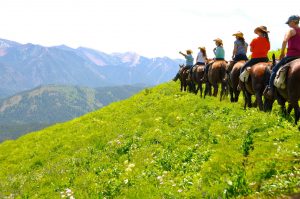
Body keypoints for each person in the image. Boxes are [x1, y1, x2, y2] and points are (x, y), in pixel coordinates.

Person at [264, 15, 300, 98]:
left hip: (291, 56)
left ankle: (271, 90)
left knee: (274, 70)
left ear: (293, 22)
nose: (288, 24)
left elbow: (284, 41)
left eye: (289, 23)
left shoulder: (291, 30)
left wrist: (282, 53)